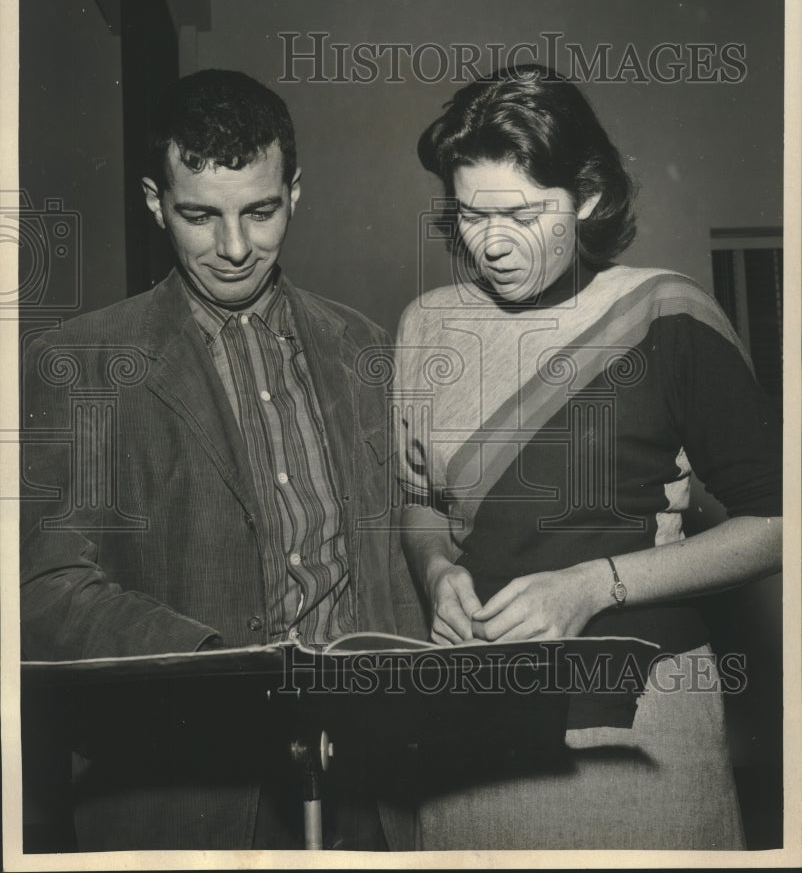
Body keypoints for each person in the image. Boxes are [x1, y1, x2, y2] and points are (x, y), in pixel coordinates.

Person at [394, 63, 782, 850]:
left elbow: (779, 523)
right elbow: (422, 504)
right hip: (472, 711)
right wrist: (437, 572)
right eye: (469, 216)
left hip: (639, 725)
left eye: (525, 215)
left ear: (591, 199)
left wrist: (591, 587)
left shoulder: (668, 315)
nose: (491, 245)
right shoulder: (427, 324)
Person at [20, 69, 401, 851]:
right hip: (182, 795)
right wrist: (224, 672)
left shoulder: (363, 346)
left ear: (295, 192)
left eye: (260, 211)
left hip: (368, 793)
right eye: (200, 215)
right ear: (156, 202)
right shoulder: (82, 360)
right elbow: (47, 588)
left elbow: (397, 549)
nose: (234, 248)